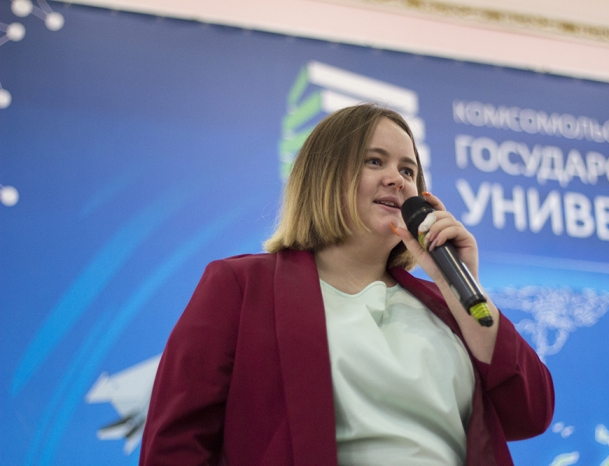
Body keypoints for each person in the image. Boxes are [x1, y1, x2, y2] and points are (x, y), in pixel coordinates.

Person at [139, 104, 554, 466]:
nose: (397, 179)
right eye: (375, 161)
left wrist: (461, 284)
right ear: (323, 176)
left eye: (408, 170)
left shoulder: (447, 308)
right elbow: (176, 443)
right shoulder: (242, 286)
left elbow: (531, 413)